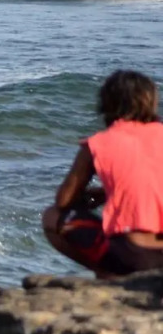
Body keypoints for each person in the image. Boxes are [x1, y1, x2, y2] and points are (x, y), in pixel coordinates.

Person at [41, 70, 163, 278]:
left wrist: (93, 198)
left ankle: (107, 273)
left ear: (107, 105)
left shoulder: (97, 144)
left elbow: (63, 201)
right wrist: (109, 194)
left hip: (133, 256)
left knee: (52, 216)